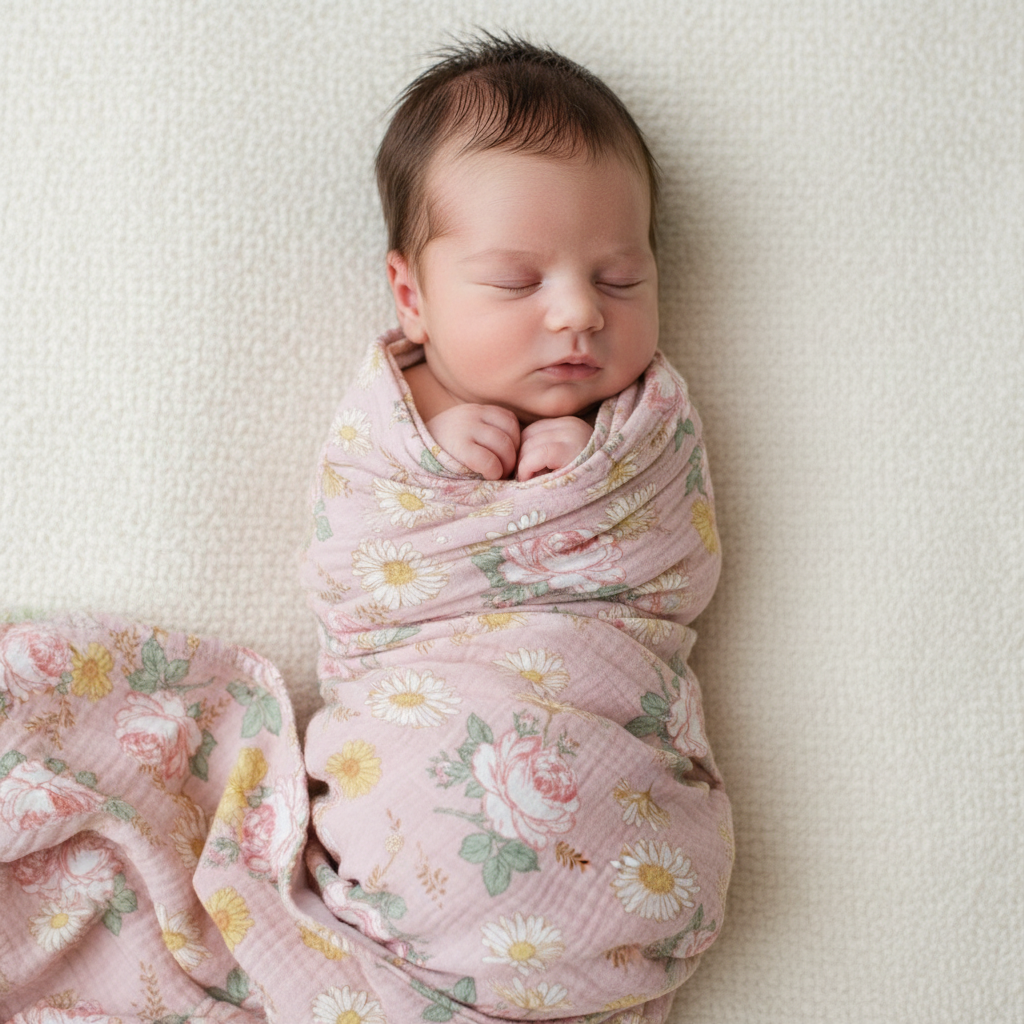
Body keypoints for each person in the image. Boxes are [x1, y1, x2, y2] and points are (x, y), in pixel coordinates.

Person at [377, 34, 661, 482]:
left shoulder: (645, 420)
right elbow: (355, 519)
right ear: (412, 298)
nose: (580, 314)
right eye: (517, 282)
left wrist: (601, 470)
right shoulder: (388, 415)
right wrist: (430, 459)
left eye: (618, 280)